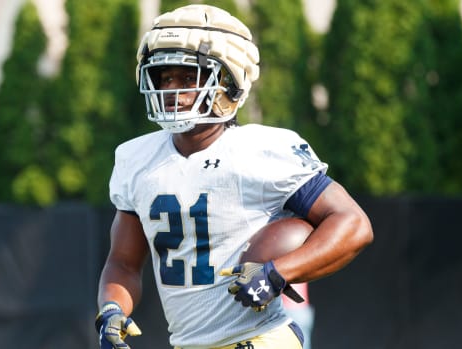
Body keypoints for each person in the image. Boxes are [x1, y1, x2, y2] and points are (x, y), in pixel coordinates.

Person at [96, 4, 373, 349]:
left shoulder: (262, 150)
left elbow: (354, 224)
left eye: (188, 78)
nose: (173, 90)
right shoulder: (135, 158)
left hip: (260, 337)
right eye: (166, 77)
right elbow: (122, 261)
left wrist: (279, 272)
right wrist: (111, 309)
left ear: (229, 82)